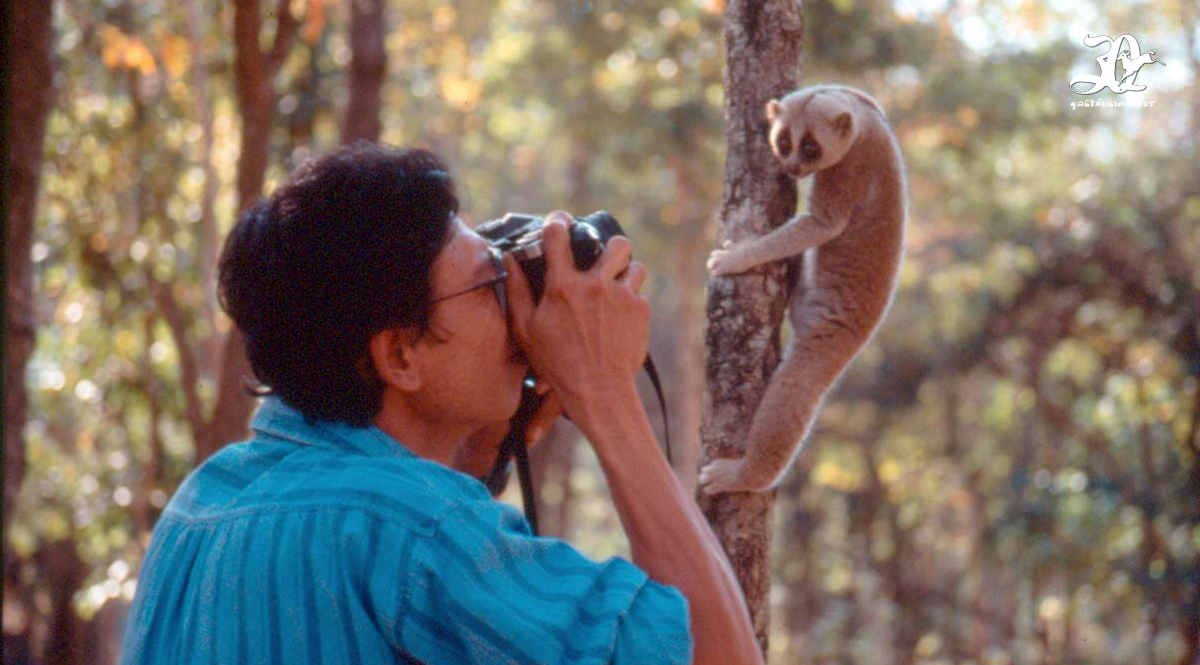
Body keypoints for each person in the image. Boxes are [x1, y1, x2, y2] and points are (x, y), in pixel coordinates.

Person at [120, 143, 763, 665]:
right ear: (400, 356)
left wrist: (479, 452)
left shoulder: (200, 505)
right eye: (490, 284)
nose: (517, 305)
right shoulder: (419, 529)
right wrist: (605, 392)